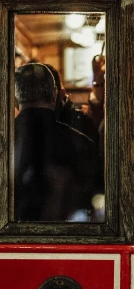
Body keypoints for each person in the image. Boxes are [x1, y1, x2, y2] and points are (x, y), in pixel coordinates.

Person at [14, 63, 103, 222]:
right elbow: (94, 206)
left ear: (15, 99)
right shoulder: (82, 143)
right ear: (55, 95)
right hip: (67, 240)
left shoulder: (6, 138)